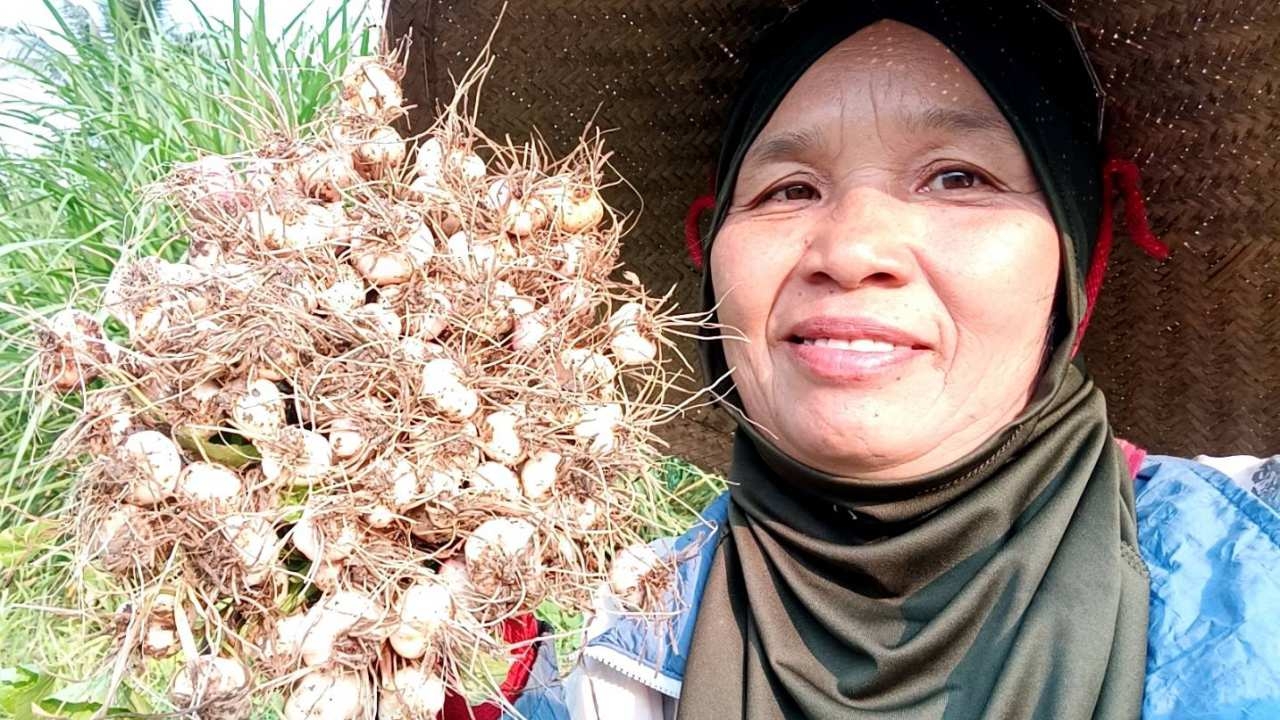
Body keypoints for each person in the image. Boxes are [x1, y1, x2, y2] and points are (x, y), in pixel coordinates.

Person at [488, 1, 1280, 718]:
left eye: (958, 178)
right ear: (710, 255)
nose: (852, 249)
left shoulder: (1258, 571)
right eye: (788, 190)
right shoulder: (602, 658)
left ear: (1078, 259)